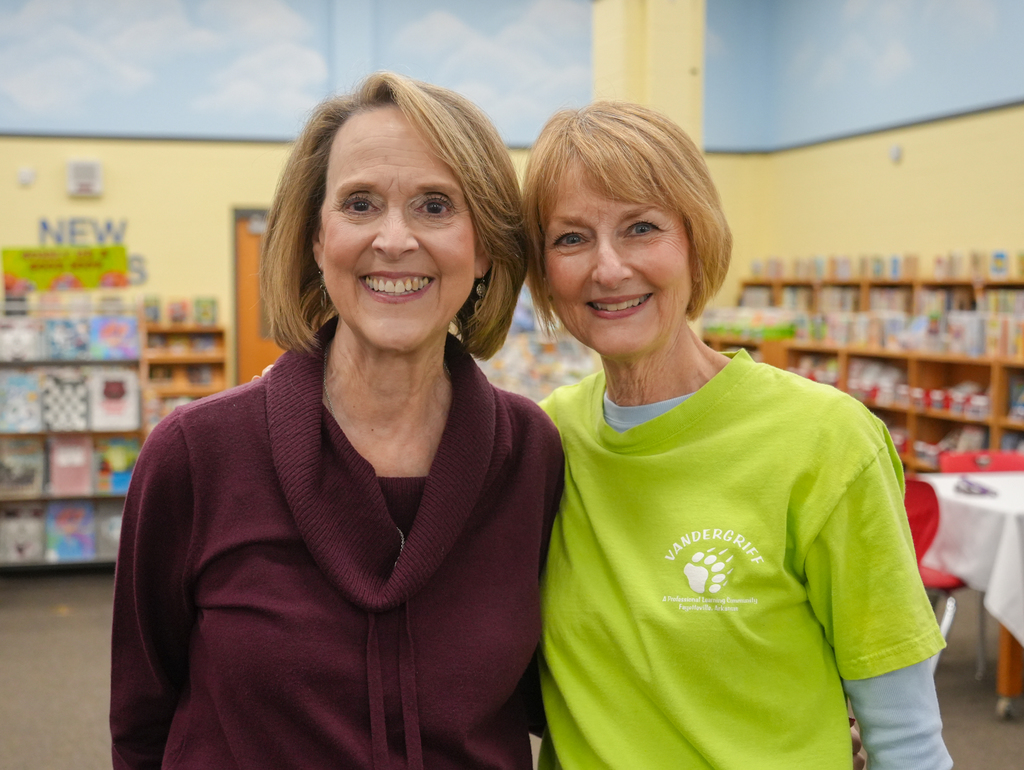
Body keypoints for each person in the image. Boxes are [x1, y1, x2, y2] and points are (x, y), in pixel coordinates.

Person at [109, 72, 564, 770]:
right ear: (317, 242)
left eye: (435, 206)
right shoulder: (198, 455)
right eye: (359, 204)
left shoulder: (530, 455)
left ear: (483, 251)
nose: (393, 239)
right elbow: (142, 722)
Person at [522, 101, 952, 769]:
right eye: (571, 238)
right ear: (543, 270)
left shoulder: (825, 441)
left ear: (697, 239)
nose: (607, 268)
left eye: (641, 228)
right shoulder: (544, 442)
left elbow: (905, 741)